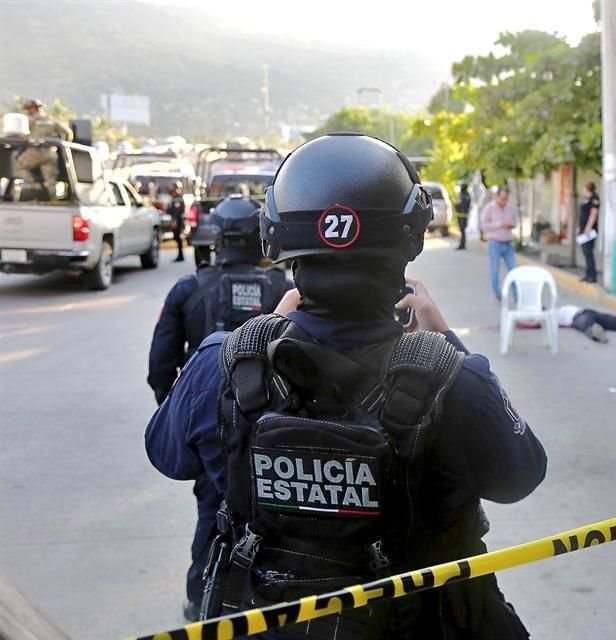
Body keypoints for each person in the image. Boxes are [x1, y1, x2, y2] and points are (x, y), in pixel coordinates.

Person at [144, 133, 546, 638]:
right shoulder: (456, 379)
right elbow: (521, 477)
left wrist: (261, 337)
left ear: (278, 239)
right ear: (412, 238)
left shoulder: (218, 366)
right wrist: (445, 340)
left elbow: (166, 455)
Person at [146, 195, 290, 621]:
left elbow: (160, 367)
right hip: (274, 428)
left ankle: (200, 602)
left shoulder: (189, 289)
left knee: (213, 513)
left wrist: (185, 417)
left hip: (211, 427)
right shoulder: (284, 289)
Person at [14, 99, 73, 198]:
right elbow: (68, 133)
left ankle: (35, 186)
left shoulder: (30, 120)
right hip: (50, 153)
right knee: (50, 179)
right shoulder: (51, 120)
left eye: (28, 109)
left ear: (32, 109)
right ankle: (52, 198)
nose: (28, 111)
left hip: (35, 152)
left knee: (18, 167)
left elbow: (19, 134)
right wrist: (61, 145)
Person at [480, 185, 518, 300]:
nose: (504, 201)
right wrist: (500, 224)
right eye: (502, 199)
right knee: (495, 271)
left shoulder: (510, 208)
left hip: (508, 243)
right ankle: (497, 294)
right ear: (497, 196)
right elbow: (484, 226)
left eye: (506, 199)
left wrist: (510, 224)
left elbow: (515, 223)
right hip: (494, 243)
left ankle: (517, 295)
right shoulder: (489, 208)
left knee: (513, 270)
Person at [578, 182, 600, 283]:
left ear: (588, 189)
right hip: (583, 230)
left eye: (584, 188)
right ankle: (588, 274)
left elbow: (594, 214)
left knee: (589, 252)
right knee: (585, 253)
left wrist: (588, 227)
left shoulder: (594, 199)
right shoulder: (585, 199)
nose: (583, 190)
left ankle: (592, 275)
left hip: (589, 231)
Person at [167, 181, 187, 262]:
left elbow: (179, 210)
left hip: (178, 220)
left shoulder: (179, 197)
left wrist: (175, 219)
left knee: (178, 237)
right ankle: (180, 254)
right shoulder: (173, 196)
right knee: (176, 237)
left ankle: (181, 255)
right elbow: (171, 209)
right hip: (174, 219)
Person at [454, 182, 471, 250]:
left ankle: (462, 244)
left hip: (461, 215)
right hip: (465, 214)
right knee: (463, 230)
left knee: (462, 230)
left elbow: (457, 204)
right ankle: (462, 244)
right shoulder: (468, 195)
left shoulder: (462, 196)